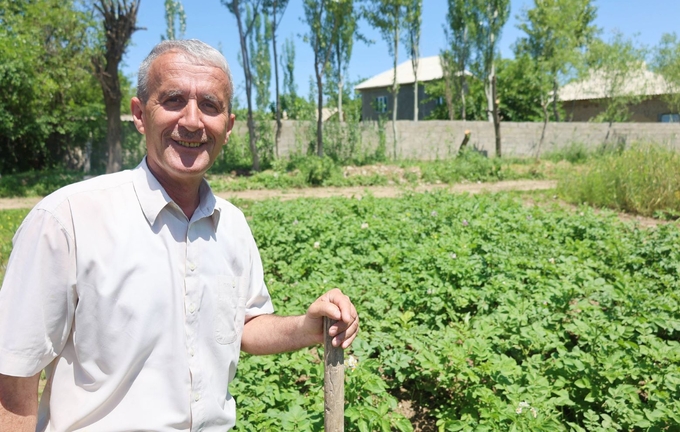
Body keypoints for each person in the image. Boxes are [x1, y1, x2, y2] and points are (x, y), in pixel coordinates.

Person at [0, 39, 359, 431]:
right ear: (139, 114)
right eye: (173, 100)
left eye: (210, 105)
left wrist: (306, 328)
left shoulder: (231, 225)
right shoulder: (67, 219)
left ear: (229, 125)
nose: (192, 121)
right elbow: (14, 376)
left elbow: (244, 326)